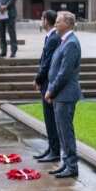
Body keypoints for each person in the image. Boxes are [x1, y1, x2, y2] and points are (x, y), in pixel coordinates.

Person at [44, 10, 81, 179]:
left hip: (65, 95)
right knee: (61, 131)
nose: (56, 24)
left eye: (59, 21)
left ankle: (71, 166)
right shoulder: (64, 41)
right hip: (60, 94)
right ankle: (66, 163)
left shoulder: (71, 43)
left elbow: (64, 72)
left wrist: (51, 90)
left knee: (66, 131)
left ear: (67, 24)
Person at [33, 10, 61, 164]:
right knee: (49, 120)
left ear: (46, 21)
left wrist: (38, 79)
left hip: (48, 83)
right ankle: (51, 148)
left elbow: (47, 63)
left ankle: (55, 151)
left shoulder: (53, 39)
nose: (40, 21)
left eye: (42, 18)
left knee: (51, 120)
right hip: (46, 83)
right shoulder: (50, 37)